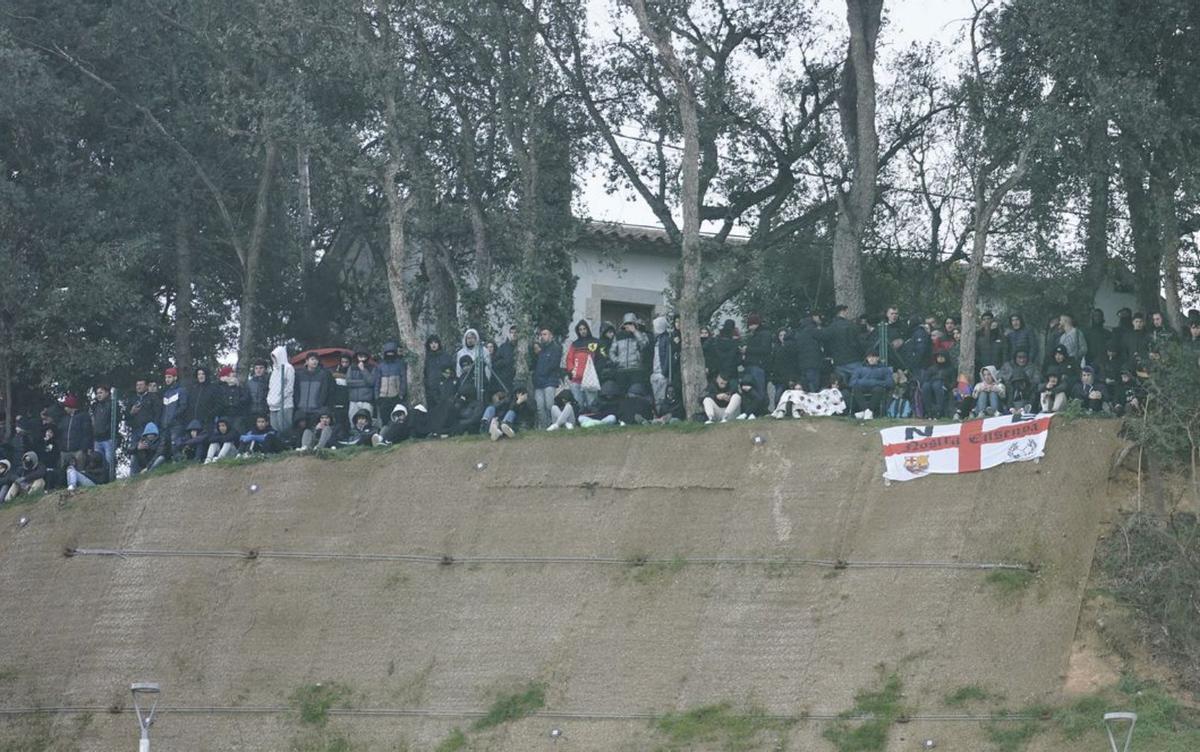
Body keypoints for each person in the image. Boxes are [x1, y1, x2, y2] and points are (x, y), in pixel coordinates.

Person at [818, 305, 863, 385]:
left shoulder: (830, 328)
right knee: (857, 385)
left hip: (838, 362)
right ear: (843, 311)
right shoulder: (852, 326)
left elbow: (825, 342)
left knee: (841, 386)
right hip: (854, 359)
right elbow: (859, 343)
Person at [565, 320, 601, 410]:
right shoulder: (575, 344)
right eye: (580, 329)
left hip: (590, 379)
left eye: (584, 329)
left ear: (588, 329)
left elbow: (601, 358)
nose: (583, 331)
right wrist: (571, 371)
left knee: (591, 405)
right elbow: (569, 358)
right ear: (578, 331)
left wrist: (597, 370)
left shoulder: (595, 342)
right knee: (578, 405)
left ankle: (591, 422)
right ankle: (578, 422)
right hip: (576, 380)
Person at [532, 327, 563, 427]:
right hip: (539, 382)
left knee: (549, 405)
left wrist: (543, 373)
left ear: (551, 336)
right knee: (540, 407)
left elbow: (554, 365)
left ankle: (553, 425)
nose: (542, 337)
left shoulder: (556, 348)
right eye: (541, 335)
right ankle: (544, 428)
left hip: (550, 380)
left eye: (545, 334)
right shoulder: (539, 349)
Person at [609, 313, 649, 391]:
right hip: (621, 370)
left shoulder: (641, 334)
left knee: (636, 393)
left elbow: (644, 345)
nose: (628, 325)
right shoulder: (618, 336)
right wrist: (617, 360)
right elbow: (611, 351)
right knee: (622, 394)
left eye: (631, 323)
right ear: (623, 325)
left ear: (634, 324)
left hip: (636, 369)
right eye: (626, 323)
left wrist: (635, 331)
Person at [849, 351, 893, 420]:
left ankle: (866, 411)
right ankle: (867, 411)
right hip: (863, 387)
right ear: (866, 358)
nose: (871, 359)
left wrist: (874, 382)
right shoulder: (860, 368)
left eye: (873, 357)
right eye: (869, 357)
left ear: (878, 358)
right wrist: (872, 382)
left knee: (879, 389)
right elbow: (852, 382)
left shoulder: (884, 369)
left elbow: (890, 383)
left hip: (876, 388)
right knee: (855, 388)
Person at [294, 353, 333, 426]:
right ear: (306, 361)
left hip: (316, 410)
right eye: (312, 359)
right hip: (301, 410)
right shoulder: (299, 374)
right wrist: (298, 403)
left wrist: (319, 404)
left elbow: (324, 392)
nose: (315, 361)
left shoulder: (323, 374)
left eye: (316, 360)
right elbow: (296, 391)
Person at [650, 316, 680, 406]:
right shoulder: (657, 340)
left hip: (661, 373)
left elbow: (668, 357)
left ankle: (662, 414)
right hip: (655, 372)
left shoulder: (666, 339)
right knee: (656, 396)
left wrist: (664, 372)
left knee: (662, 396)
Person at [58, 394, 93, 472]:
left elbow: (87, 433)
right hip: (65, 450)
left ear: (71, 406)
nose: (65, 408)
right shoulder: (64, 419)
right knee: (62, 471)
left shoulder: (83, 416)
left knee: (79, 471)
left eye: (66, 406)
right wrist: (61, 447)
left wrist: (83, 449)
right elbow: (60, 433)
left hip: (78, 450)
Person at [90, 385, 118, 480]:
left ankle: (111, 479)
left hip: (108, 438)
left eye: (101, 393)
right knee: (97, 461)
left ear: (107, 393)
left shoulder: (112, 404)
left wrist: (107, 430)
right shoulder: (95, 406)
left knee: (109, 461)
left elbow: (116, 420)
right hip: (97, 439)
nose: (99, 395)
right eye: (97, 393)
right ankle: (101, 480)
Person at [919, 351, 956, 419]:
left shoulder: (950, 368)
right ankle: (929, 411)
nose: (940, 358)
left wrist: (949, 387)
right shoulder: (932, 368)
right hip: (931, 385)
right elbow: (926, 379)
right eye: (938, 357)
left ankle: (939, 411)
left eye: (942, 357)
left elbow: (953, 381)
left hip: (944, 385)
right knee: (925, 386)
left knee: (937, 385)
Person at [183, 367, 220, 435]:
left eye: (203, 374)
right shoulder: (193, 389)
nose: (201, 376)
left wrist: (209, 416)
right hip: (193, 423)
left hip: (207, 423)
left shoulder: (213, 388)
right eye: (199, 374)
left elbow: (218, 405)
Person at [160, 367, 189, 451]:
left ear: (175, 378)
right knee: (163, 448)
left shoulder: (181, 391)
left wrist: (173, 417)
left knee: (175, 446)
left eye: (169, 377)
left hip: (177, 424)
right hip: (165, 425)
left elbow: (183, 407)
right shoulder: (166, 393)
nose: (167, 379)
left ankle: (179, 463)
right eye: (166, 377)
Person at [376, 341, 408, 418]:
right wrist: (377, 396)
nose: (390, 355)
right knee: (384, 418)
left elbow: (403, 379)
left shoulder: (399, 364)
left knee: (395, 418)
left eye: (392, 353)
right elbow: (377, 381)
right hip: (383, 397)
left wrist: (401, 394)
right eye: (388, 353)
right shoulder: (381, 365)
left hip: (395, 396)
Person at [346, 349, 378, 425]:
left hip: (366, 400)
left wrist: (363, 369)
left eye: (364, 356)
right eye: (360, 356)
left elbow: (371, 382)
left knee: (367, 422)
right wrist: (364, 383)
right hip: (353, 400)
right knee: (353, 422)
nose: (362, 358)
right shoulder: (351, 367)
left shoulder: (372, 368)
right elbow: (348, 382)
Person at [216, 366, 251, 432]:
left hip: (238, 414)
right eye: (231, 372)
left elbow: (245, 397)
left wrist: (237, 403)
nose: (233, 374)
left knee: (238, 431)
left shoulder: (239, 386)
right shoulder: (220, 387)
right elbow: (218, 400)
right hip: (224, 414)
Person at [492, 326, 518, 392]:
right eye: (512, 332)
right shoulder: (503, 347)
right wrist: (504, 362)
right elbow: (494, 364)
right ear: (509, 334)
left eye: (516, 332)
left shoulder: (522, 347)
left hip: (519, 380)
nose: (514, 334)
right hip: (506, 381)